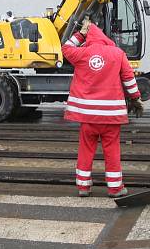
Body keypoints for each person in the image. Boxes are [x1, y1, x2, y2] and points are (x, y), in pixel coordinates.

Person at [62, 17, 144, 198]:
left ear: (89, 37)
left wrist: (80, 34)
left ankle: (83, 187)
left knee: (86, 149)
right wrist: (136, 98)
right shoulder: (117, 53)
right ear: (105, 37)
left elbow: (66, 48)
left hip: (87, 116)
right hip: (110, 116)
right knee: (112, 150)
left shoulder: (82, 53)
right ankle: (115, 188)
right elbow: (129, 79)